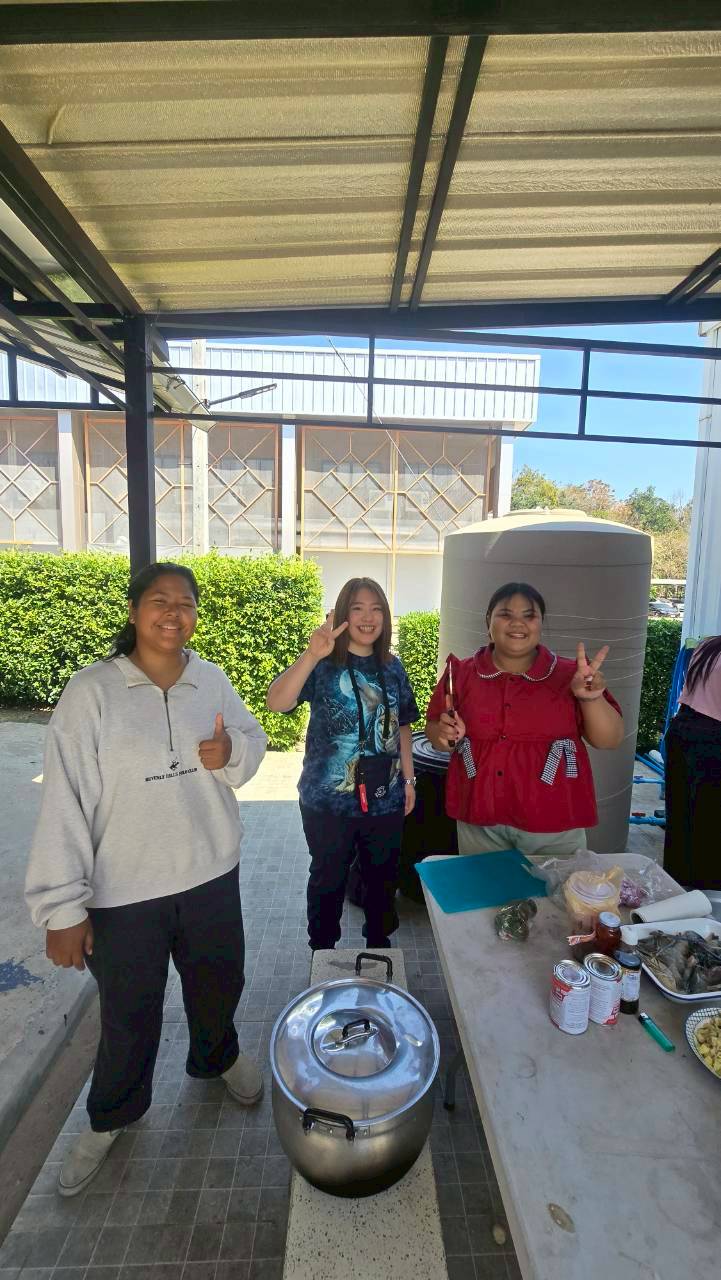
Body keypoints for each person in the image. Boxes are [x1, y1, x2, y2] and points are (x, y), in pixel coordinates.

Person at [25, 562, 268, 1197]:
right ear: (134, 611)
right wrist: (62, 908)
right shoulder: (91, 694)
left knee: (219, 982)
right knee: (129, 1012)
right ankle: (112, 1113)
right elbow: (64, 803)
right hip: (124, 892)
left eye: (185, 603)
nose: (173, 613)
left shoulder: (211, 680)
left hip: (210, 873)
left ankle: (217, 1056)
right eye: (159, 600)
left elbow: (253, 737)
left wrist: (233, 754)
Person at [267, 577, 419, 950]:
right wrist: (310, 654)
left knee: (382, 878)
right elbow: (276, 702)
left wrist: (409, 781)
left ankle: (379, 946)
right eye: (358, 608)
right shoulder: (323, 664)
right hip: (327, 801)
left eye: (376, 609)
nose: (368, 617)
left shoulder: (393, 667)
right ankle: (322, 949)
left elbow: (403, 725)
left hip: (384, 797)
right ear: (343, 614)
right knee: (327, 878)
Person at [425, 582, 623, 858]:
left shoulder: (571, 675)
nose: (517, 623)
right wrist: (444, 734)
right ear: (488, 621)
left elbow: (609, 739)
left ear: (541, 624)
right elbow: (435, 731)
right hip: (480, 817)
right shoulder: (460, 673)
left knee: (553, 887)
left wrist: (590, 698)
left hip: (553, 819)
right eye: (505, 614)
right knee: (486, 886)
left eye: (529, 615)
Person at [663, 634, 721, 889]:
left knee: (681, 821)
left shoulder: (709, 645)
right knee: (711, 828)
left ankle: (677, 889)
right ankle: (708, 896)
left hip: (683, 731)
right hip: (712, 742)